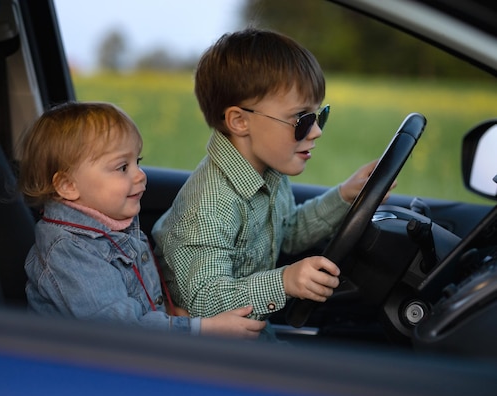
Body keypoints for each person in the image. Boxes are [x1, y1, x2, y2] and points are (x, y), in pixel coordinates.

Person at [151, 28, 388, 335]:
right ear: (240, 121)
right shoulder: (208, 205)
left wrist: (344, 196)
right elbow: (204, 304)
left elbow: (286, 232)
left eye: (319, 116)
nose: (316, 132)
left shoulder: (268, 171)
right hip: (207, 354)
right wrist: (285, 282)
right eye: (302, 119)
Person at [18, 101, 265, 339]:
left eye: (138, 162)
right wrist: (201, 329)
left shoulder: (113, 226)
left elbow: (139, 299)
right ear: (68, 185)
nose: (140, 175)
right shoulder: (69, 251)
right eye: (122, 168)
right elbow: (121, 331)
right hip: (85, 372)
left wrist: (172, 316)